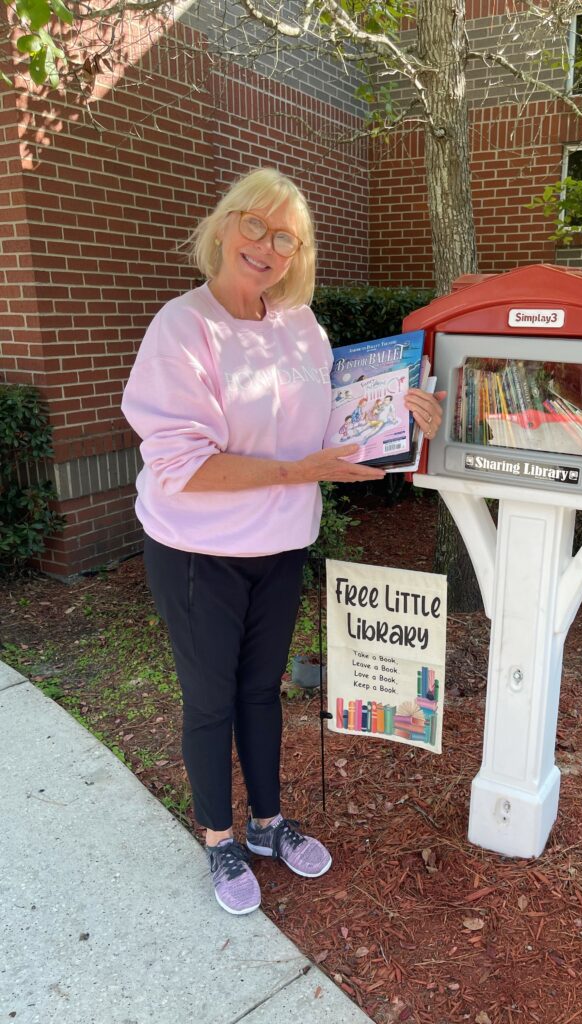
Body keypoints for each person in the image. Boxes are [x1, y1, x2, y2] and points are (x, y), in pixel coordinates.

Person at [121, 167, 444, 916]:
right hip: (199, 551)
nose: (266, 247)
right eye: (254, 226)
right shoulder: (183, 326)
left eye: (285, 238)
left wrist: (398, 417)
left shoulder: (300, 325)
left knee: (261, 692)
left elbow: (330, 430)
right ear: (223, 227)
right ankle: (218, 837)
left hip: (280, 544)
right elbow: (182, 466)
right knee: (209, 701)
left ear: (298, 255)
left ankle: (267, 824)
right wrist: (306, 469)